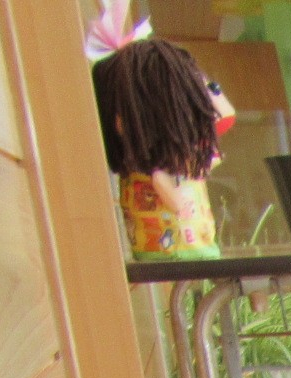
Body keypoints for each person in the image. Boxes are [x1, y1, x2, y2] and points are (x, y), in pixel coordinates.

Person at [91, 35, 233, 262]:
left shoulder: (172, 161)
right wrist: (179, 204)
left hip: (189, 248)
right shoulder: (156, 170)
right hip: (172, 249)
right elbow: (163, 183)